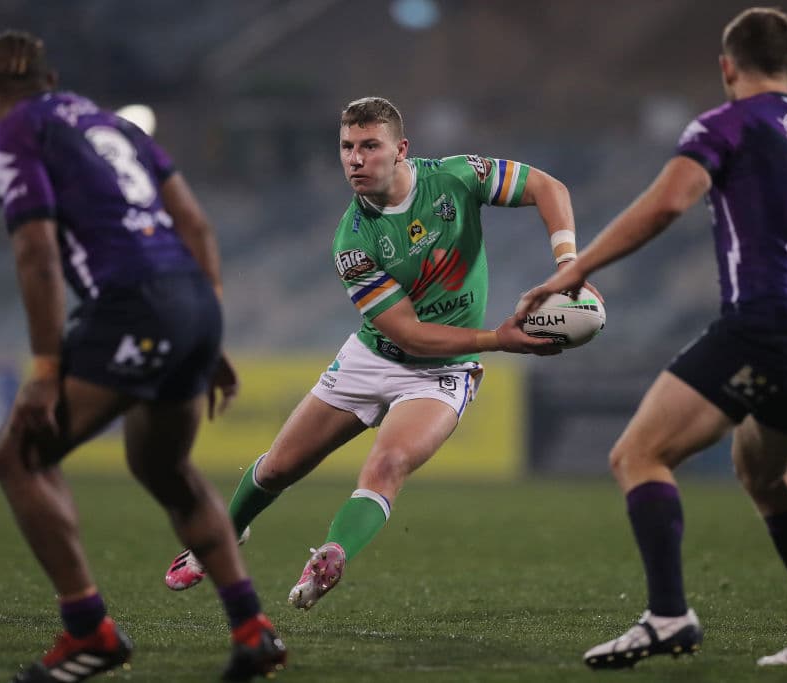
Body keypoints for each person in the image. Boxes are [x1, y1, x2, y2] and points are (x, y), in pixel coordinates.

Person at [517, 7, 787, 670]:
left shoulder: (723, 124)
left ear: (726, 66)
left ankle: (668, 614)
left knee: (636, 454)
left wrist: (578, 266)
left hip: (762, 325)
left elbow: (668, 202)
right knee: (763, 475)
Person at [165, 96, 583, 610]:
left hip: (442, 373)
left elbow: (548, 187)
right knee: (277, 469)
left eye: (369, 146)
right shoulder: (352, 240)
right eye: (346, 147)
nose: (355, 159)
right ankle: (221, 537)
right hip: (375, 357)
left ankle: (332, 554)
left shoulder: (456, 177)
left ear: (401, 149)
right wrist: (500, 339)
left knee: (387, 464)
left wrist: (568, 267)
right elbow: (409, 334)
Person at [0, 30, 286, 682]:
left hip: (132, 304)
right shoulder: (104, 122)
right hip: (193, 300)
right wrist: (211, 328)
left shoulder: (14, 133)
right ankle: (252, 628)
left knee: (19, 457)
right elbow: (196, 225)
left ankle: (90, 633)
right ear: (49, 78)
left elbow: (36, 253)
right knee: (162, 467)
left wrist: (43, 370)